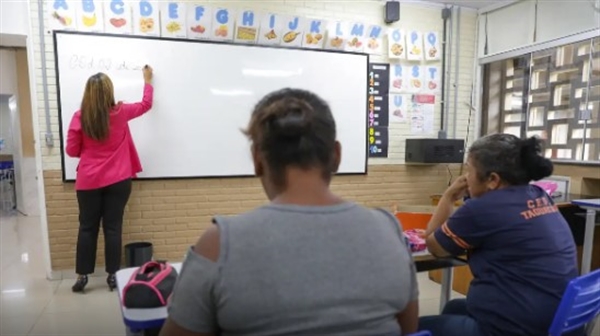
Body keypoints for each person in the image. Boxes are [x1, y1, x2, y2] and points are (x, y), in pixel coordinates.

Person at [159, 88, 419, 336]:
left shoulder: (219, 244)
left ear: (257, 160)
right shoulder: (389, 230)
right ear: (336, 155)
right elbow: (409, 329)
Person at [418, 134, 579, 336]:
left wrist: (449, 196)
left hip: (519, 328)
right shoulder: (539, 195)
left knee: (410, 327)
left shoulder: (482, 209)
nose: (466, 177)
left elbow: (434, 245)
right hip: (559, 320)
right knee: (454, 308)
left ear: (492, 180)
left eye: (469, 170)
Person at [66, 66, 154, 293]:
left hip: (88, 182)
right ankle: (113, 276)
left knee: (87, 228)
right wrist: (147, 81)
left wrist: (90, 153)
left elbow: (71, 150)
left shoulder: (79, 117)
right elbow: (146, 105)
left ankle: (82, 277)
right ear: (109, 91)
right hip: (119, 181)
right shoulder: (121, 112)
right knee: (113, 228)